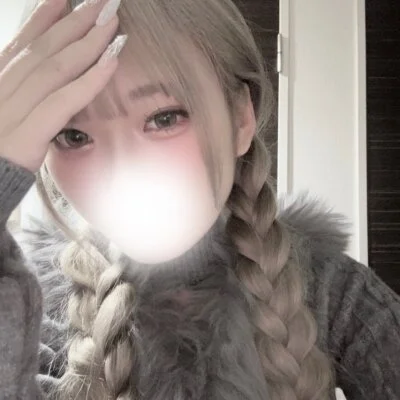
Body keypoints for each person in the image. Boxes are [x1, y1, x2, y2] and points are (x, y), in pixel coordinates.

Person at [0, 0, 399, 399]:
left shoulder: (332, 290)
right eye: (73, 135)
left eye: (164, 118)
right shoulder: (28, 300)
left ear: (241, 119)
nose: (117, 172)